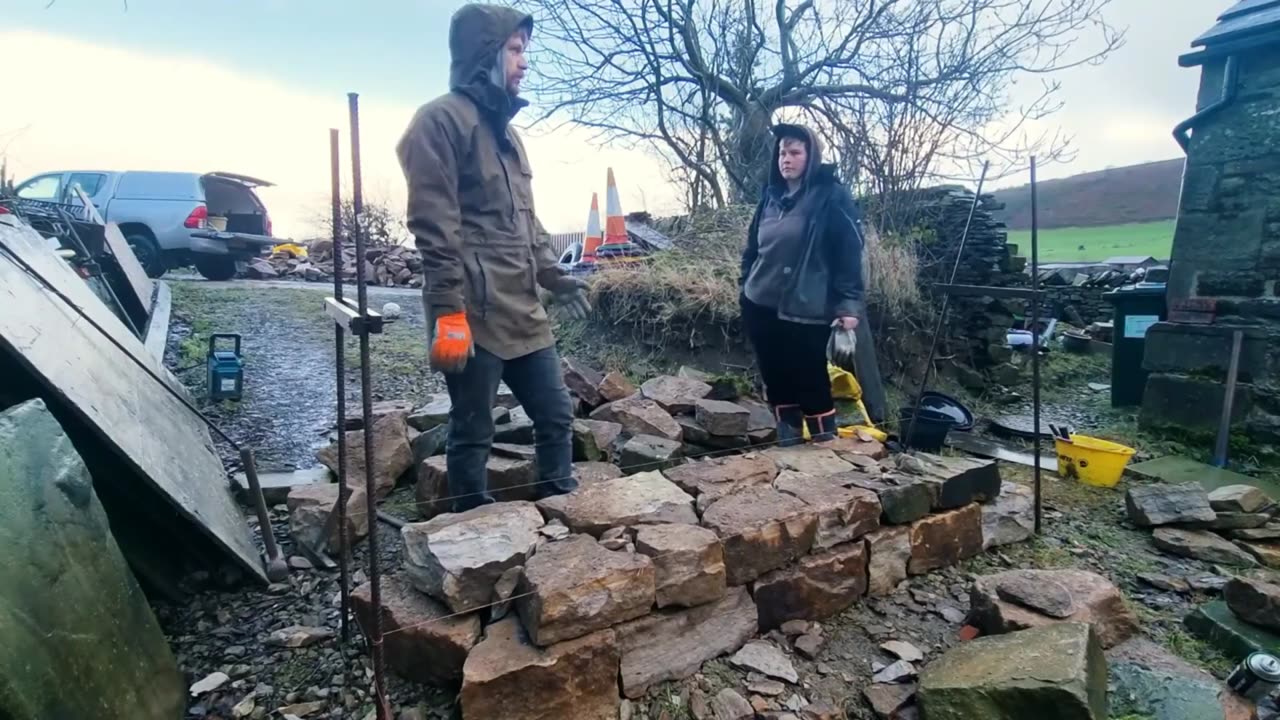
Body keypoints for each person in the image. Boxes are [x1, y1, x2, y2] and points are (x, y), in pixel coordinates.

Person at [396, 4, 591, 513]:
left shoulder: (509, 132)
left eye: (524, 50)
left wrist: (553, 273)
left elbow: (527, 219)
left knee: (555, 414)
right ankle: (473, 530)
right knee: (473, 427)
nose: (524, 62)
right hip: (472, 313)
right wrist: (446, 313)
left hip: (523, 309)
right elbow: (434, 228)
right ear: (486, 54)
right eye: (515, 49)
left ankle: (559, 514)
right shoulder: (438, 121)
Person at [739, 123, 866, 446]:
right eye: (782, 152)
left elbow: (848, 251)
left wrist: (848, 304)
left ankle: (827, 451)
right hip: (760, 304)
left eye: (795, 152)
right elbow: (752, 249)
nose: (786, 159)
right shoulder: (770, 197)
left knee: (810, 378)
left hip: (808, 305)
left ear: (811, 156)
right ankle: (790, 446)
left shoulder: (831, 196)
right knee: (776, 376)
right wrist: (745, 285)